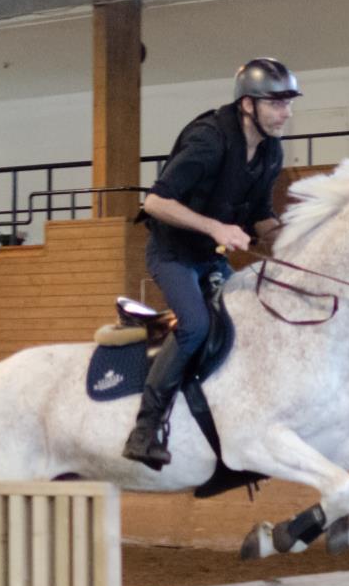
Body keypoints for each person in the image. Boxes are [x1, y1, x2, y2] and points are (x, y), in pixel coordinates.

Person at [122, 57, 302, 470]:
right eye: (276, 103)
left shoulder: (271, 151)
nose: (285, 113)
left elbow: (259, 213)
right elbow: (155, 202)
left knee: (246, 316)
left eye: (288, 103)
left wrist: (291, 239)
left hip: (209, 258)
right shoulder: (208, 140)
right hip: (172, 255)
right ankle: (145, 428)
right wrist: (217, 228)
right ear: (247, 105)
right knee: (197, 326)